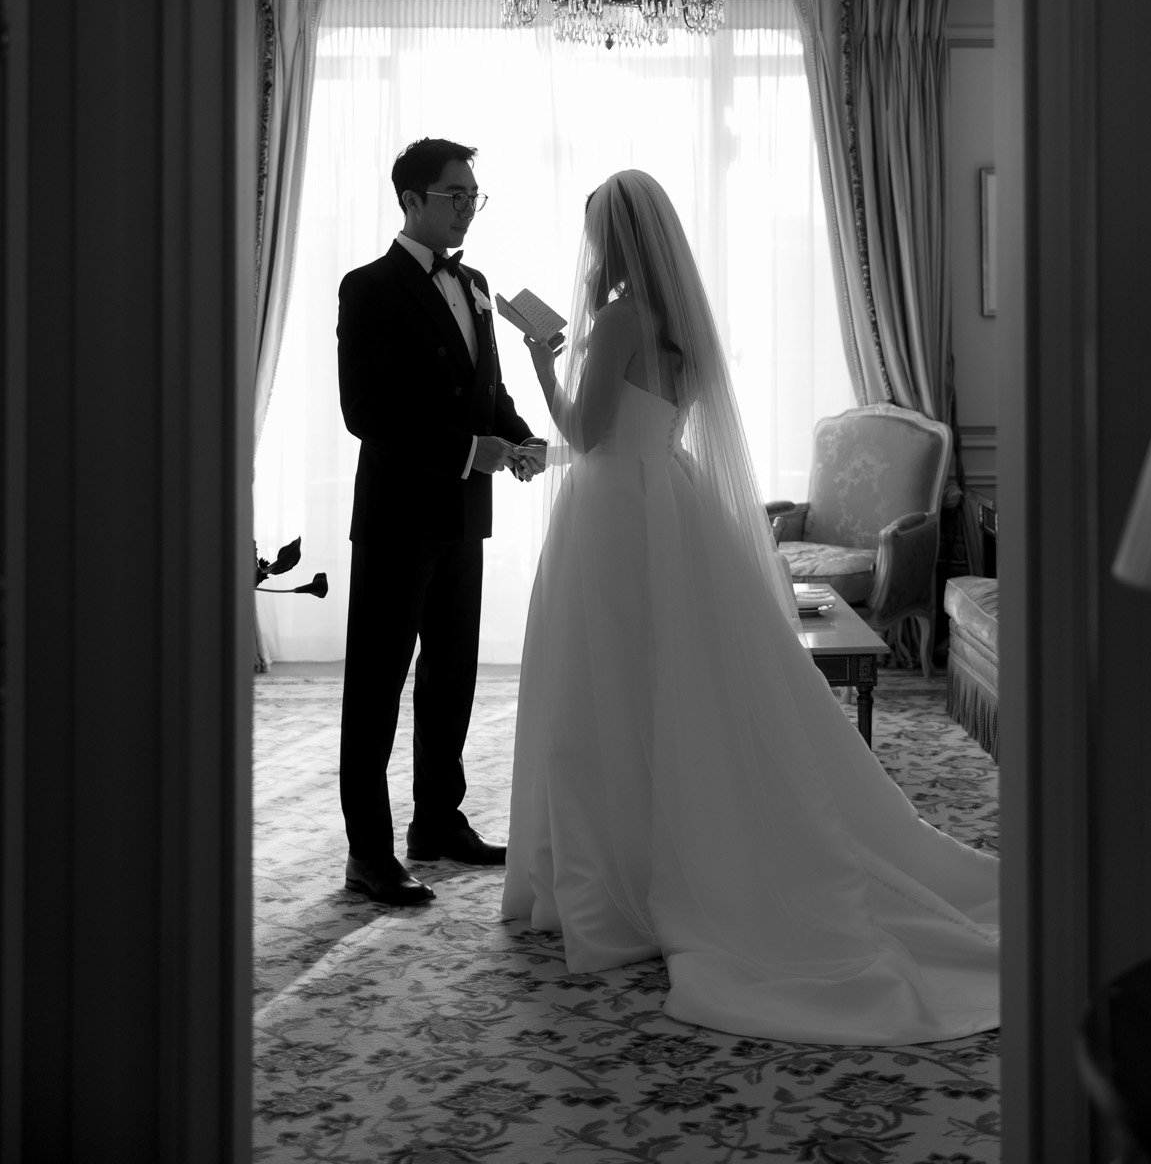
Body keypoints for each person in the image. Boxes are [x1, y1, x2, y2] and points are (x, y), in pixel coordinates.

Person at [501, 169, 999, 1044]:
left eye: (595, 233)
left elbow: (581, 434)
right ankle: (665, 850)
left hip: (614, 506)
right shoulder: (680, 321)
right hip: (669, 496)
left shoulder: (617, 316)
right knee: (670, 684)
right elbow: (658, 422)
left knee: (604, 690)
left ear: (614, 238)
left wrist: (542, 363)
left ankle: (617, 879)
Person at [337, 137, 545, 906]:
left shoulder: (477, 282)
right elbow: (366, 414)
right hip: (397, 516)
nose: (467, 206)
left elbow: (483, 389)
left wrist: (517, 437)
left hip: (464, 515)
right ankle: (369, 853)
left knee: (450, 675)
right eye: (455, 194)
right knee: (376, 686)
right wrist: (467, 451)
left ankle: (437, 821)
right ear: (411, 199)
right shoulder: (367, 287)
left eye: (473, 195)